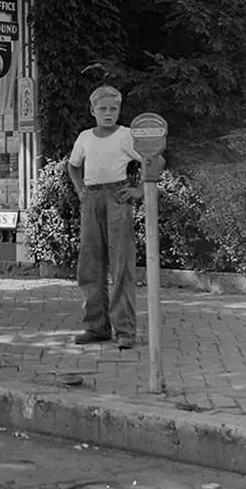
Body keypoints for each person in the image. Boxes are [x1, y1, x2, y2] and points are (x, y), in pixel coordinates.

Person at [67, 85, 144, 350]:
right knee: (90, 264)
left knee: (121, 264)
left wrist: (138, 190)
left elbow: (153, 160)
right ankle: (96, 327)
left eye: (114, 108)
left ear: (119, 110)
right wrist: (80, 191)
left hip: (117, 199)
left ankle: (125, 329)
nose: (108, 113)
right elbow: (73, 165)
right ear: (93, 111)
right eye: (103, 109)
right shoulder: (85, 137)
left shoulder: (126, 136)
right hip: (91, 200)